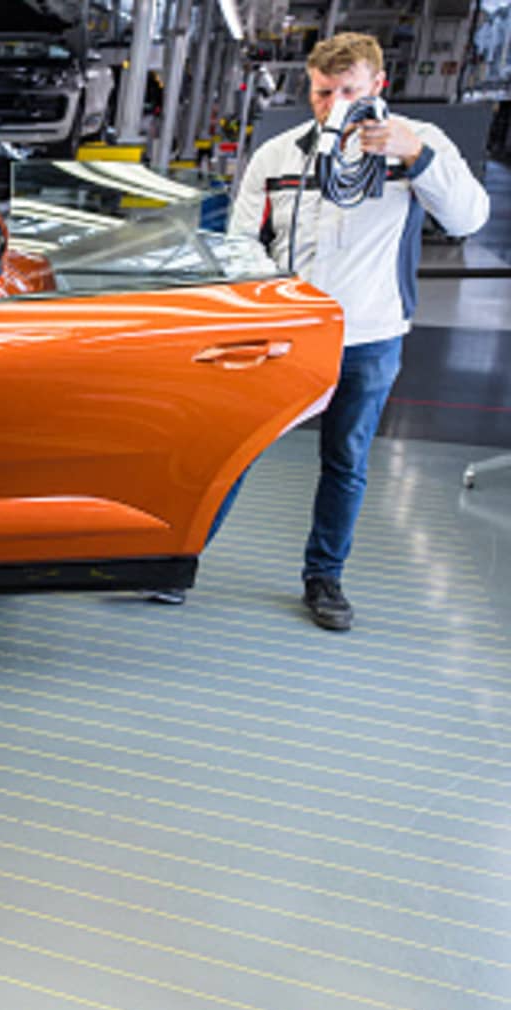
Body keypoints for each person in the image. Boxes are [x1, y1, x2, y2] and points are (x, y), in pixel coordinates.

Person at [197, 32, 488, 630]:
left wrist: (415, 157)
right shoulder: (278, 155)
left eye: (349, 91)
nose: (334, 106)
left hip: (370, 334)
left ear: (378, 87)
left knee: (347, 459)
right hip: (288, 334)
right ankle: (181, 560)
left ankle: (324, 578)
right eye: (323, 92)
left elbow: (467, 218)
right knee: (234, 447)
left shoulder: (419, 145)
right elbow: (241, 244)